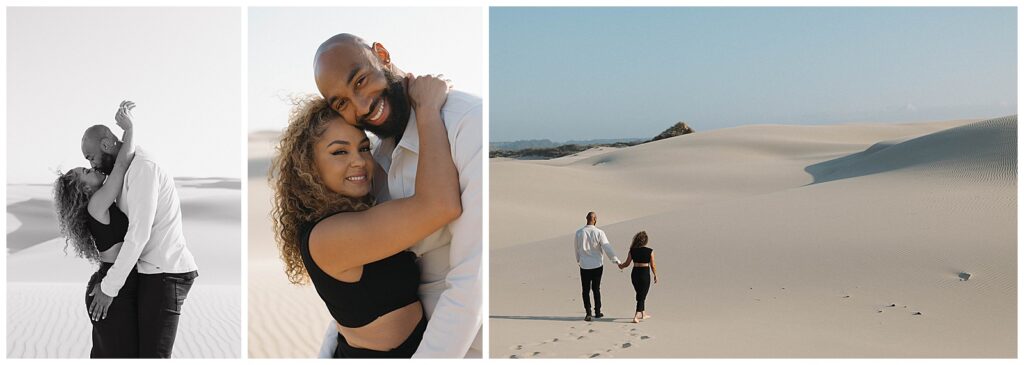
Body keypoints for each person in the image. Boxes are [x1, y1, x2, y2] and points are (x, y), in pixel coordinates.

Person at [312, 33, 482, 358]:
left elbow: (472, 280)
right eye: (342, 103)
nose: (361, 106)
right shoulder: (372, 156)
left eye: (361, 81)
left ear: (382, 54)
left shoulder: (467, 123)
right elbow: (354, 297)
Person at [270, 73, 458, 358]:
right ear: (308, 165)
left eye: (363, 148)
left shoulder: (349, 214)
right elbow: (441, 205)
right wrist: (427, 108)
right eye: (339, 152)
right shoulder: (328, 236)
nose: (358, 161)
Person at [78, 102, 199, 358]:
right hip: (146, 274)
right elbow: (121, 160)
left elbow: (138, 235)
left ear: (106, 145)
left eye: (90, 158)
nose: (92, 165)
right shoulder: (119, 173)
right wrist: (129, 131)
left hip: (166, 273)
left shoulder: (144, 169)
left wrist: (109, 288)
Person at [54, 101, 138, 357]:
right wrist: (130, 129)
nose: (92, 168)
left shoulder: (99, 203)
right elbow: (121, 167)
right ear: (83, 189)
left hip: (113, 282)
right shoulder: (97, 203)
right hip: (110, 287)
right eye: (85, 171)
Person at [574, 211, 621, 322]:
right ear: (595, 219)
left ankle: (588, 312)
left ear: (586, 218)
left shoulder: (579, 233)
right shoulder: (600, 232)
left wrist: (578, 260)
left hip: (584, 265)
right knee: (596, 288)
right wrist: (616, 260)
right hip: (597, 265)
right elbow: (607, 247)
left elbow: (576, 248)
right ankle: (598, 311)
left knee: (585, 289)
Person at [618, 231, 658, 323]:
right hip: (644, 273)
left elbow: (627, 263)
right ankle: (636, 316)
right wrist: (655, 274)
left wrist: (621, 266)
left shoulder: (632, 250)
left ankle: (643, 313)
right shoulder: (650, 251)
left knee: (640, 293)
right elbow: (653, 265)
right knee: (642, 294)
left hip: (635, 273)